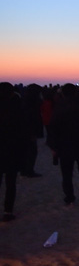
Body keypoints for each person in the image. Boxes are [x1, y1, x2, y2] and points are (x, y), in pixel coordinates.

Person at [47, 83, 79, 208]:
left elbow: (53, 128)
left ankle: (69, 198)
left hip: (64, 146)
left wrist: (53, 146)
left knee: (67, 174)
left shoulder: (59, 107)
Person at [0, 82, 25, 222]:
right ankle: (8, 211)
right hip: (11, 150)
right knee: (10, 183)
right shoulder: (16, 108)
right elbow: (22, 131)